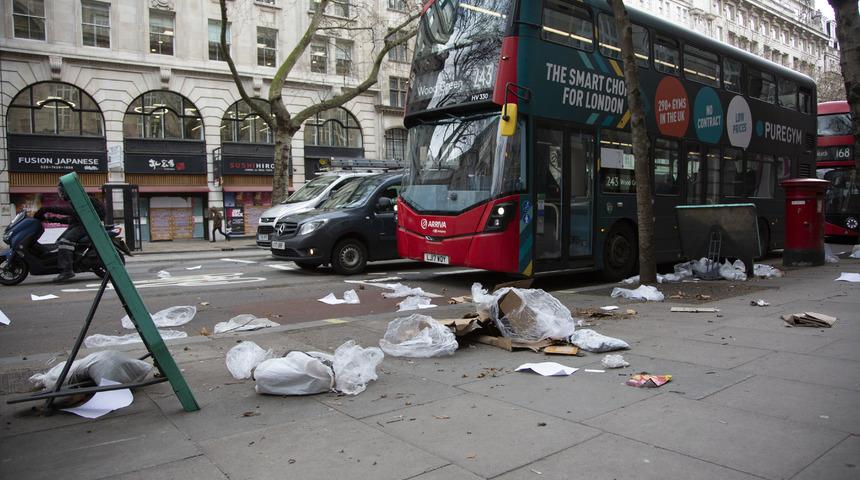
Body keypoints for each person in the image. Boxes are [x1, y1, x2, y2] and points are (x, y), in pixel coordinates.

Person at [34, 183, 106, 283]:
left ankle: (67, 270)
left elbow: (68, 211)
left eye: (62, 191)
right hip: (80, 225)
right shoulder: (77, 200)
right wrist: (49, 219)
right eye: (60, 192)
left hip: (85, 226)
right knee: (59, 242)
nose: (61, 194)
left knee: (65, 243)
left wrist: (46, 208)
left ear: (68, 191)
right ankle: (66, 264)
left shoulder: (79, 200)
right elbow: (71, 219)